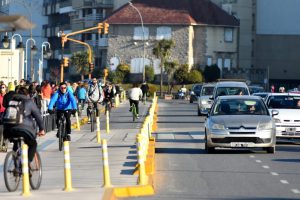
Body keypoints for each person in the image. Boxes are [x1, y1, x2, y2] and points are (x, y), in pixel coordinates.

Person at [3, 87, 45, 163]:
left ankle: (16, 165)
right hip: (25, 130)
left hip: (9, 130)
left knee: (16, 142)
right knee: (33, 144)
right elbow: (38, 116)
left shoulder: (11, 102)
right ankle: (26, 164)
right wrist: (42, 129)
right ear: (27, 94)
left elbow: (4, 116)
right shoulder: (29, 102)